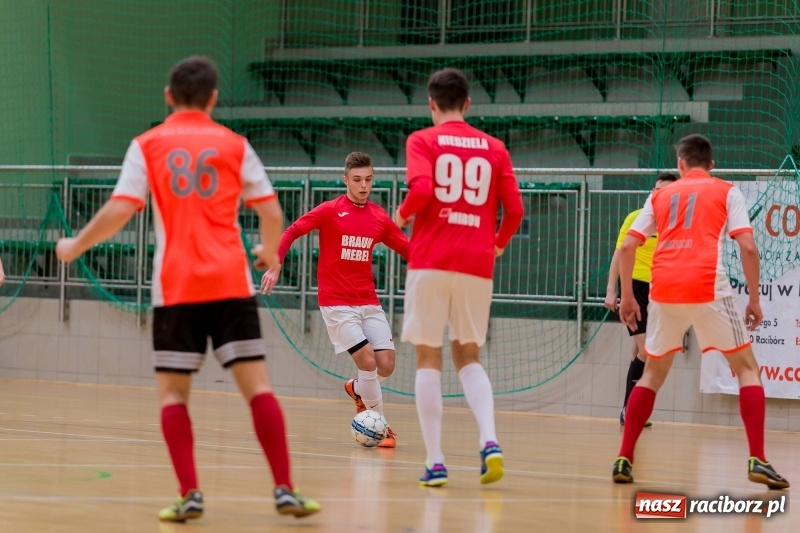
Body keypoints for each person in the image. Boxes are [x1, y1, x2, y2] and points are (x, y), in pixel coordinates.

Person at [55, 56, 321, 522]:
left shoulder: (147, 145)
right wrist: (270, 252)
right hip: (230, 282)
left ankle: (190, 494)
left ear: (168, 96)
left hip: (176, 287)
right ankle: (284, 488)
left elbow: (121, 208)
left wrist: (76, 245)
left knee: (174, 395)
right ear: (214, 98)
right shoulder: (235, 145)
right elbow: (272, 210)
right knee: (258, 389)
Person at [612, 134, 789, 489]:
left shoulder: (659, 195)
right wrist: (754, 300)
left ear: (680, 164)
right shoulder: (726, 190)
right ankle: (757, 458)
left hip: (664, 289)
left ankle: (624, 458)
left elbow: (629, 245)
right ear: (711, 164)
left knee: (651, 375)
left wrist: (627, 296)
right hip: (708, 286)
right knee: (747, 368)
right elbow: (748, 248)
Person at [394, 68, 524, 487]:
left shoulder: (422, 140)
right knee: (468, 356)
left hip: (430, 260)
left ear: (431, 104)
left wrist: (400, 217)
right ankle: (489, 440)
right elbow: (515, 210)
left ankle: (435, 462)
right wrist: (497, 244)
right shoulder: (495, 148)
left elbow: (422, 191)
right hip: (475, 263)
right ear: (467, 103)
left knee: (427, 358)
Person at [260, 151, 409, 448]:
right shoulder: (330, 210)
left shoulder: (379, 217)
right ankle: (380, 426)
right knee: (368, 360)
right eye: (357, 180)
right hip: (337, 303)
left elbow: (408, 249)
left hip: (368, 301)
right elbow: (292, 230)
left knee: (386, 365)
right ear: (345, 180)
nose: (363, 186)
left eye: (368, 180)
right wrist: (276, 263)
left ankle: (358, 389)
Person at [604, 172, 677, 427]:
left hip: (661, 290)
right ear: (652, 193)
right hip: (635, 288)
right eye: (658, 190)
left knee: (639, 352)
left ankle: (630, 409)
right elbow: (619, 253)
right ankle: (630, 411)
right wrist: (612, 289)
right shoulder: (636, 218)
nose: (661, 195)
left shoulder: (677, 225)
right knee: (647, 350)